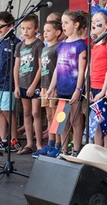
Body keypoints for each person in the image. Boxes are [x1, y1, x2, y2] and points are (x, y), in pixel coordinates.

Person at [47, 10, 87, 156]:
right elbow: (58, 67)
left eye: (66, 23)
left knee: (75, 120)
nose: (63, 26)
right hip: (62, 88)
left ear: (75, 25)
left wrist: (78, 89)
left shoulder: (80, 45)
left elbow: (82, 70)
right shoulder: (61, 44)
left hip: (73, 88)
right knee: (61, 121)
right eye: (62, 23)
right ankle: (63, 149)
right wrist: (52, 86)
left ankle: (76, 150)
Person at [0, 11, 22, 152]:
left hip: (9, 82)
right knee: (0, 111)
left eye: (1, 25)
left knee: (7, 110)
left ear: (11, 25)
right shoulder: (0, 41)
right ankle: (3, 140)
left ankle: (14, 139)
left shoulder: (16, 43)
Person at [14, 13, 44, 154]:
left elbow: (41, 66)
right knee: (26, 112)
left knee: (36, 112)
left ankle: (38, 143)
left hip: (35, 85)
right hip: (22, 83)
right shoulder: (20, 45)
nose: (25, 31)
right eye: (23, 28)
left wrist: (33, 85)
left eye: (29, 28)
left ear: (36, 29)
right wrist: (16, 86)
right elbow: (16, 66)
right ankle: (30, 143)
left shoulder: (39, 44)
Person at [32, 20, 62, 158]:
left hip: (53, 85)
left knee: (57, 117)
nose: (45, 33)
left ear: (57, 32)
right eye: (44, 31)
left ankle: (58, 144)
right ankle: (50, 143)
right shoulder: (44, 48)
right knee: (49, 116)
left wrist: (54, 85)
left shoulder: (58, 47)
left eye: (48, 31)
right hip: (44, 85)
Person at [89, 9, 107, 151]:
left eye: (98, 21)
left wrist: (104, 90)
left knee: (105, 121)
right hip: (93, 87)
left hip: (104, 88)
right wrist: (88, 88)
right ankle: (96, 150)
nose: (93, 24)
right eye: (93, 21)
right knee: (96, 122)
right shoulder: (94, 43)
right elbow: (91, 67)